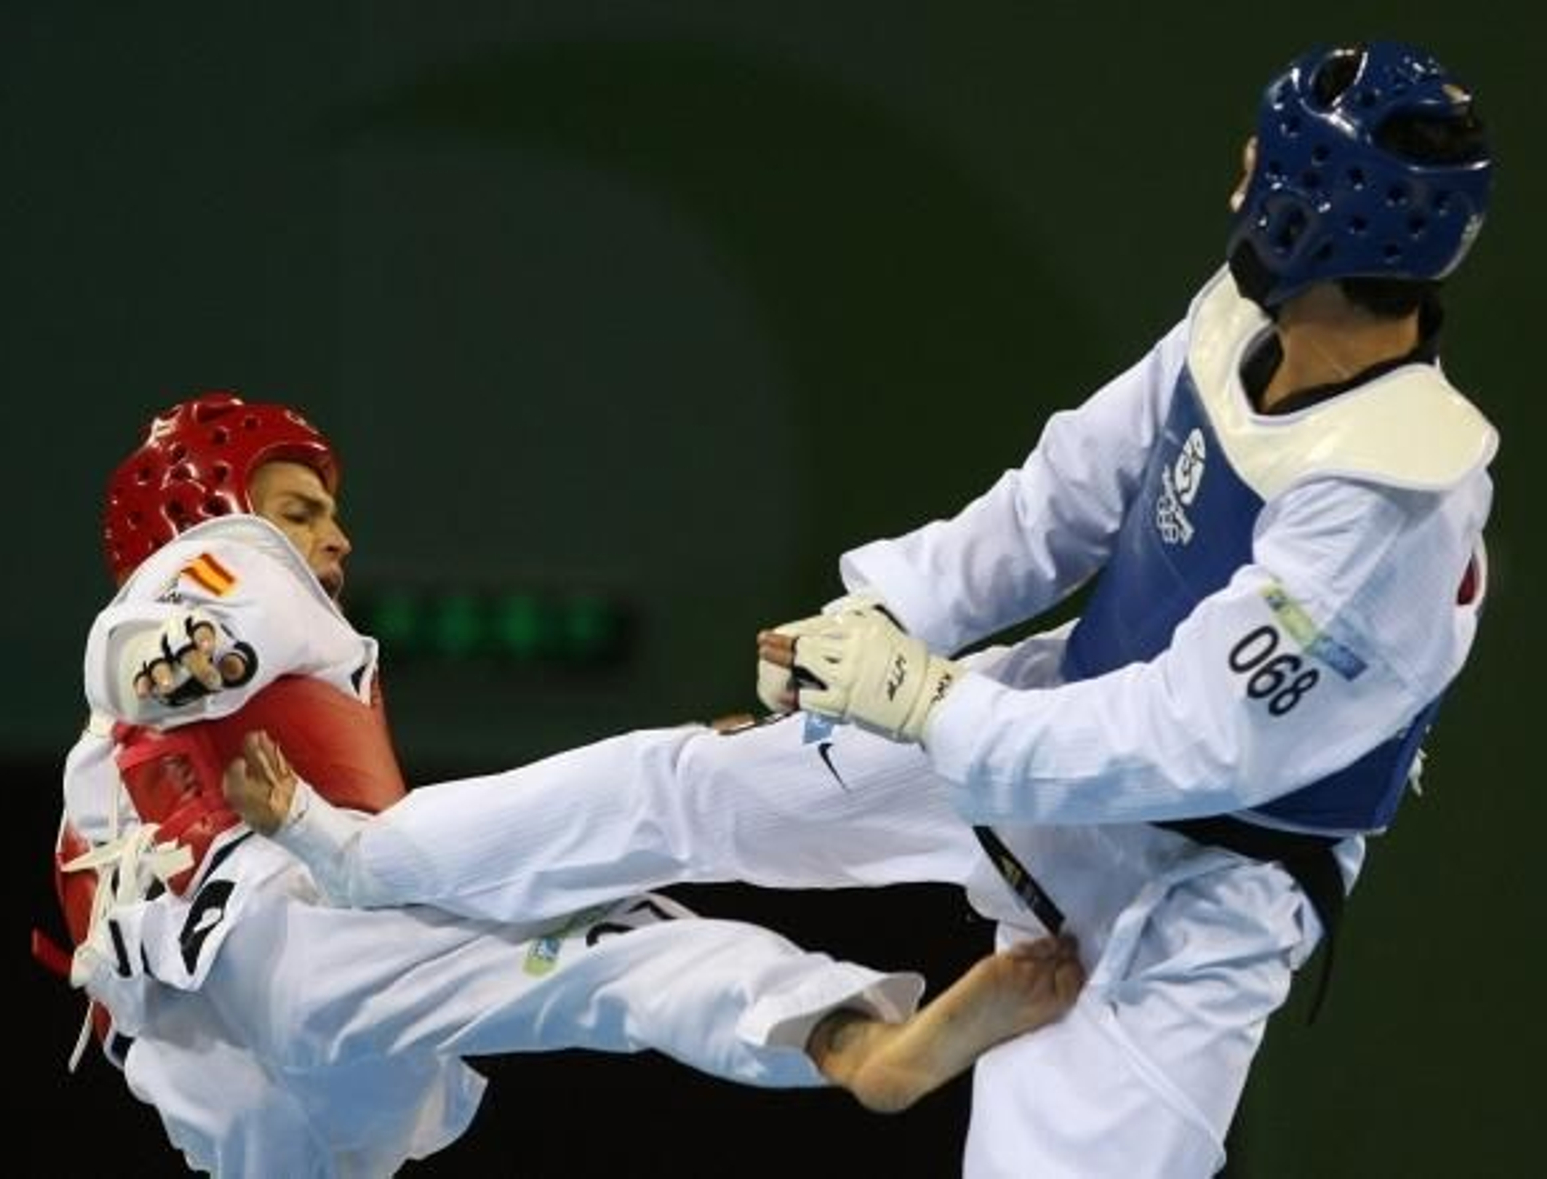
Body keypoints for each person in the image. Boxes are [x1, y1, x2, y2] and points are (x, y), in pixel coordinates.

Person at [217, 39, 1498, 1177]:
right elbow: (1058, 500)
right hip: (1041, 716)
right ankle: (363, 863)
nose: (1234, 191)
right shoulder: (1234, 326)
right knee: (688, 786)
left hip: (1193, 896)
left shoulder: (1387, 503)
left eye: (1255, 171)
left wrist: (926, 705)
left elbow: (1177, 741)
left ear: (1308, 213)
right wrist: (885, 622)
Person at [47, 392, 1082, 1177]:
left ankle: (849, 1036)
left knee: (611, 942)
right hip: (292, 941)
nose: (337, 536)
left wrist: (185, 667)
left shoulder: (148, 728)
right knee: (625, 899)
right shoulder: (228, 565)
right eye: (301, 509)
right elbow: (153, 635)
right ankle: (845, 1035)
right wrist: (187, 656)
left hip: (237, 1076)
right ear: (212, 508)